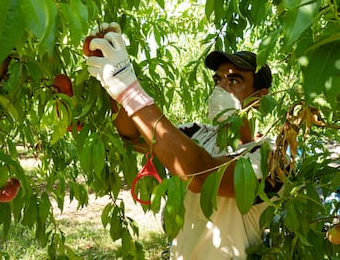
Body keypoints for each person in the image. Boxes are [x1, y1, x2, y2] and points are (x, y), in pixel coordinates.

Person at [85, 23, 275, 259]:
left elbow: (202, 175)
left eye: (234, 81)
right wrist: (114, 82)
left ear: (260, 97)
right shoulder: (195, 133)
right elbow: (134, 135)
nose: (221, 88)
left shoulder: (271, 155)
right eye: (217, 80)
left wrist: (130, 89)